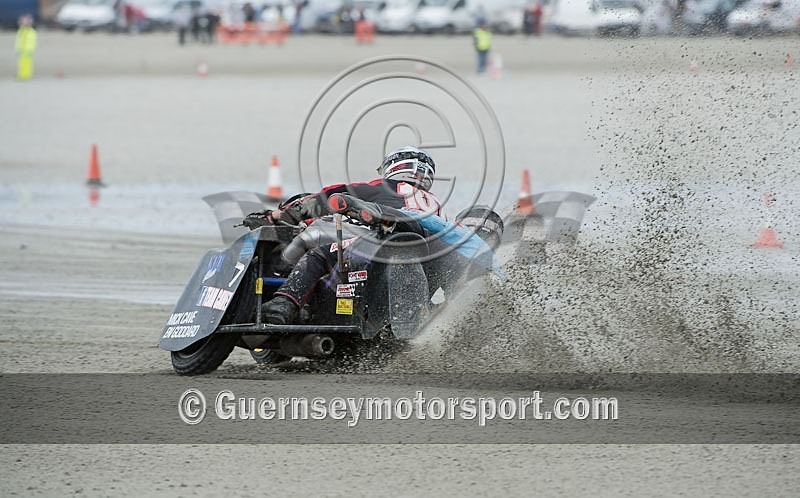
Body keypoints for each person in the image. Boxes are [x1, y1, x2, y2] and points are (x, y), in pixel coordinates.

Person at [260, 146, 498, 325]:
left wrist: (279, 215)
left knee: (318, 255)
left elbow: (326, 197)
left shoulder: (385, 187)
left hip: (384, 244)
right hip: (429, 255)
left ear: (395, 168)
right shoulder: (435, 206)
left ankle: (284, 303)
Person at [15, 15, 37, 81]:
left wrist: (32, 50)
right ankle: (21, 75)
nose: (25, 23)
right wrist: (17, 49)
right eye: (24, 21)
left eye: (27, 21)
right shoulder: (20, 31)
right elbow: (18, 41)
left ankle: (27, 75)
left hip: (28, 50)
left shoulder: (32, 32)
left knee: (28, 64)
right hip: (22, 50)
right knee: (21, 64)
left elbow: (33, 41)